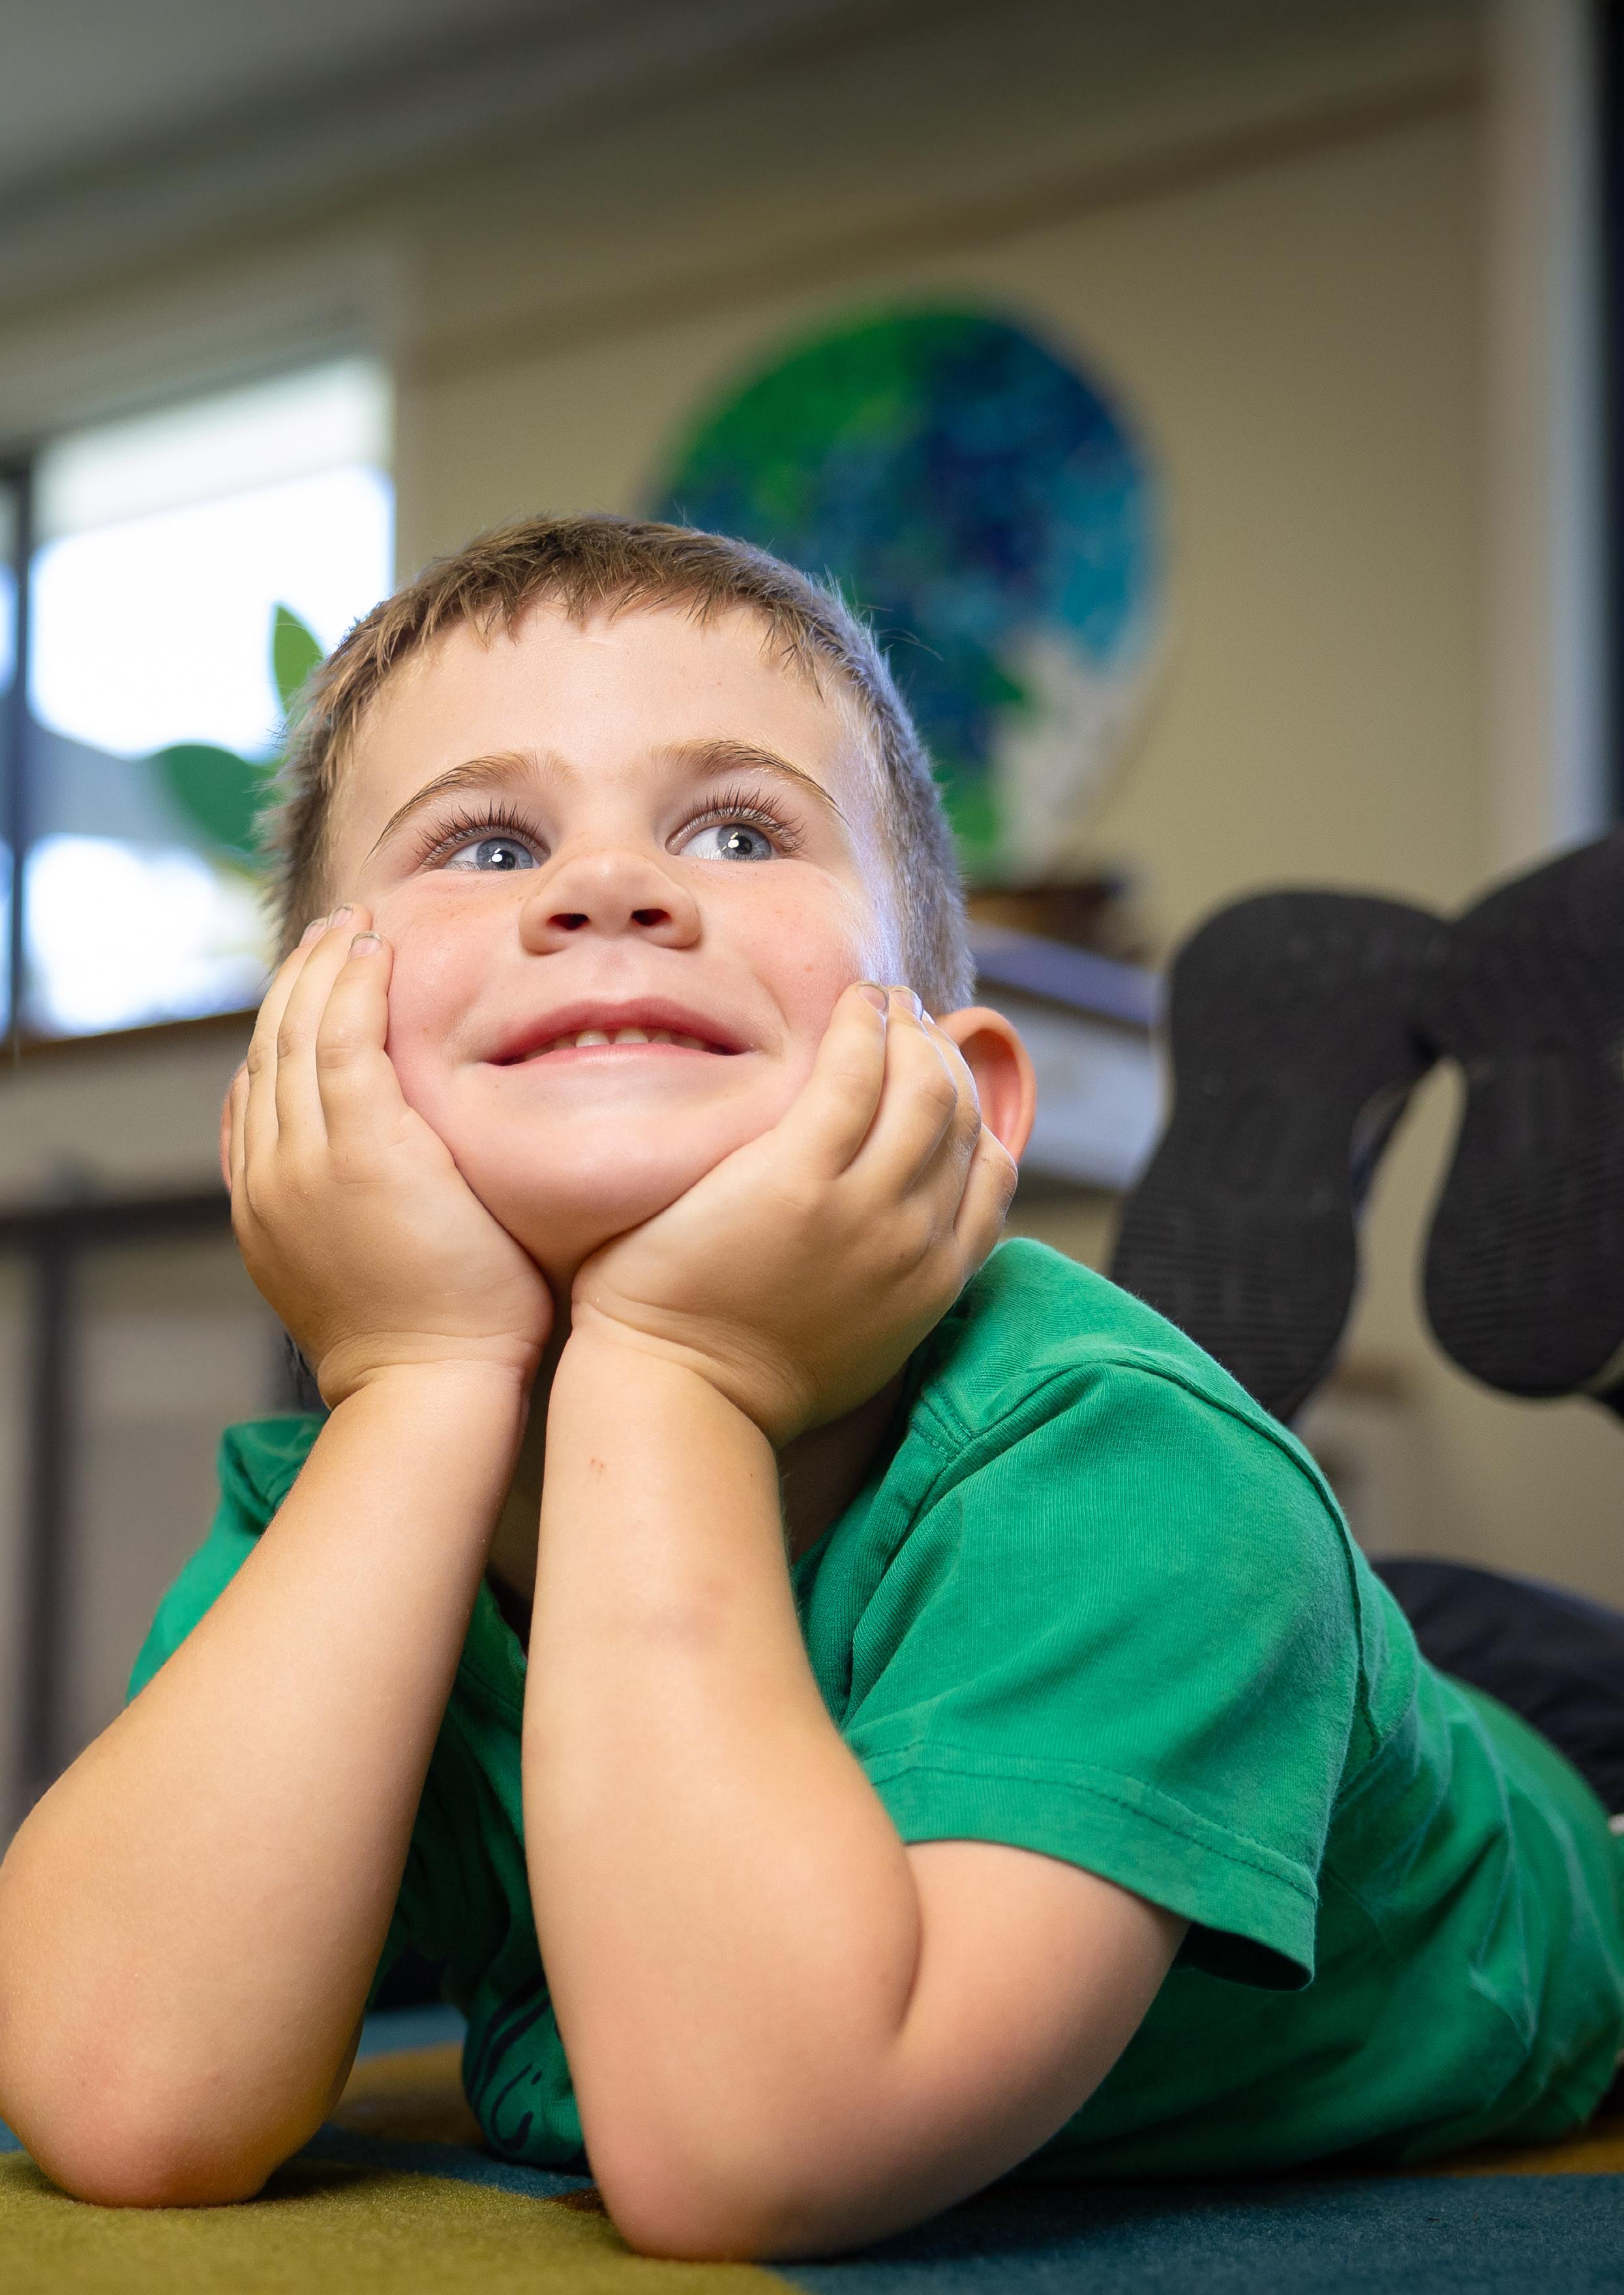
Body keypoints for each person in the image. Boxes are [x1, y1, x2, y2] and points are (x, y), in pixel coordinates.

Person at [0, 517, 1620, 2265]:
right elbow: (128, 2093)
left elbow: (753, 2145)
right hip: (1099, 1636)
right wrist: (417, 1380)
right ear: (295, 1076)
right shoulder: (350, 1492)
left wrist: (681, 1368)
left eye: (737, 829)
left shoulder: (1139, 1474)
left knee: (1309, 1562)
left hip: (1520, 1775)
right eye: (487, 843)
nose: (607, 889)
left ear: (959, 1099)